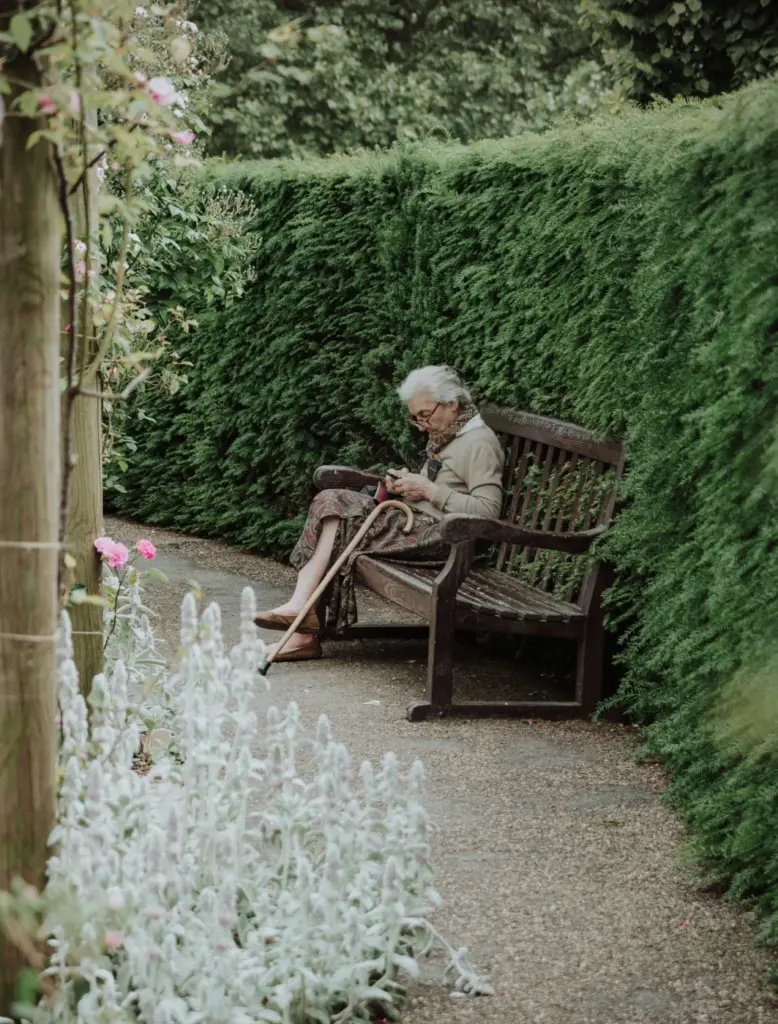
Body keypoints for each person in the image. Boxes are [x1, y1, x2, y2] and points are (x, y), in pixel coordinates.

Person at [254, 365, 505, 661]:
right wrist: (403, 486)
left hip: (446, 541)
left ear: (452, 403)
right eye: (415, 418)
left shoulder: (479, 442)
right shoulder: (449, 434)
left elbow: (488, 512)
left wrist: (428, 490)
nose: (421, 425)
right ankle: (301, 620)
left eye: (425, 415)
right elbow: (439, 487)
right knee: (331, 505)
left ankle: (301, 627)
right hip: (417, 526)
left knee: (336, 509)